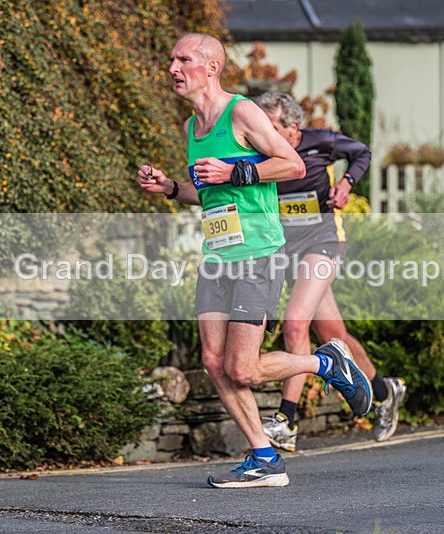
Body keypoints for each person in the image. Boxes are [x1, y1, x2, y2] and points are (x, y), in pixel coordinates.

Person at [137, 33, 373, 489]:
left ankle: (326, 364)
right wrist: (170, 187)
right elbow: (207, 194)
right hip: (217, 254)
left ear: (210, 67)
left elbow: (292, 165)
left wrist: (235, 170)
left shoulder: (242, 112)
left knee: (243, 368)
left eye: (183, 59)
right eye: (171, 59)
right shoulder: (192, 128)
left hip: (258, 254)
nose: (172, 67)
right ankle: (265, 457)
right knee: (212, 359)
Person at [254, 92, 407, 451]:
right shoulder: (262, 153)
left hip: (322, 243)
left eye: (272, 126)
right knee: (334, 335)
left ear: (293, 127)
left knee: (295, 323)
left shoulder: (320, 142)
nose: (265, 133)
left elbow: (362, 152)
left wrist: (346, 184)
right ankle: (386, 392)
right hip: (286, 250)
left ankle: (286, 421)